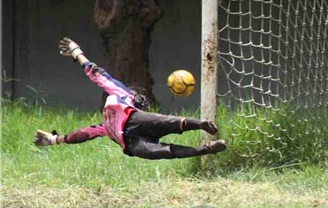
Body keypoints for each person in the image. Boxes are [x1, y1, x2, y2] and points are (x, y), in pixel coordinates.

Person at [33, 37, 227, 160]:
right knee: (160, 152)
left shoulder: (126, 107)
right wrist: (77, 53)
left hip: (135, 120)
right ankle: (204, 150)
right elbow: (97, 75)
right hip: (132, 143)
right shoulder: (120, 95)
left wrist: (54, 139)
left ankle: (201, 124)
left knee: (167, 122)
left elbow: (81, 133)